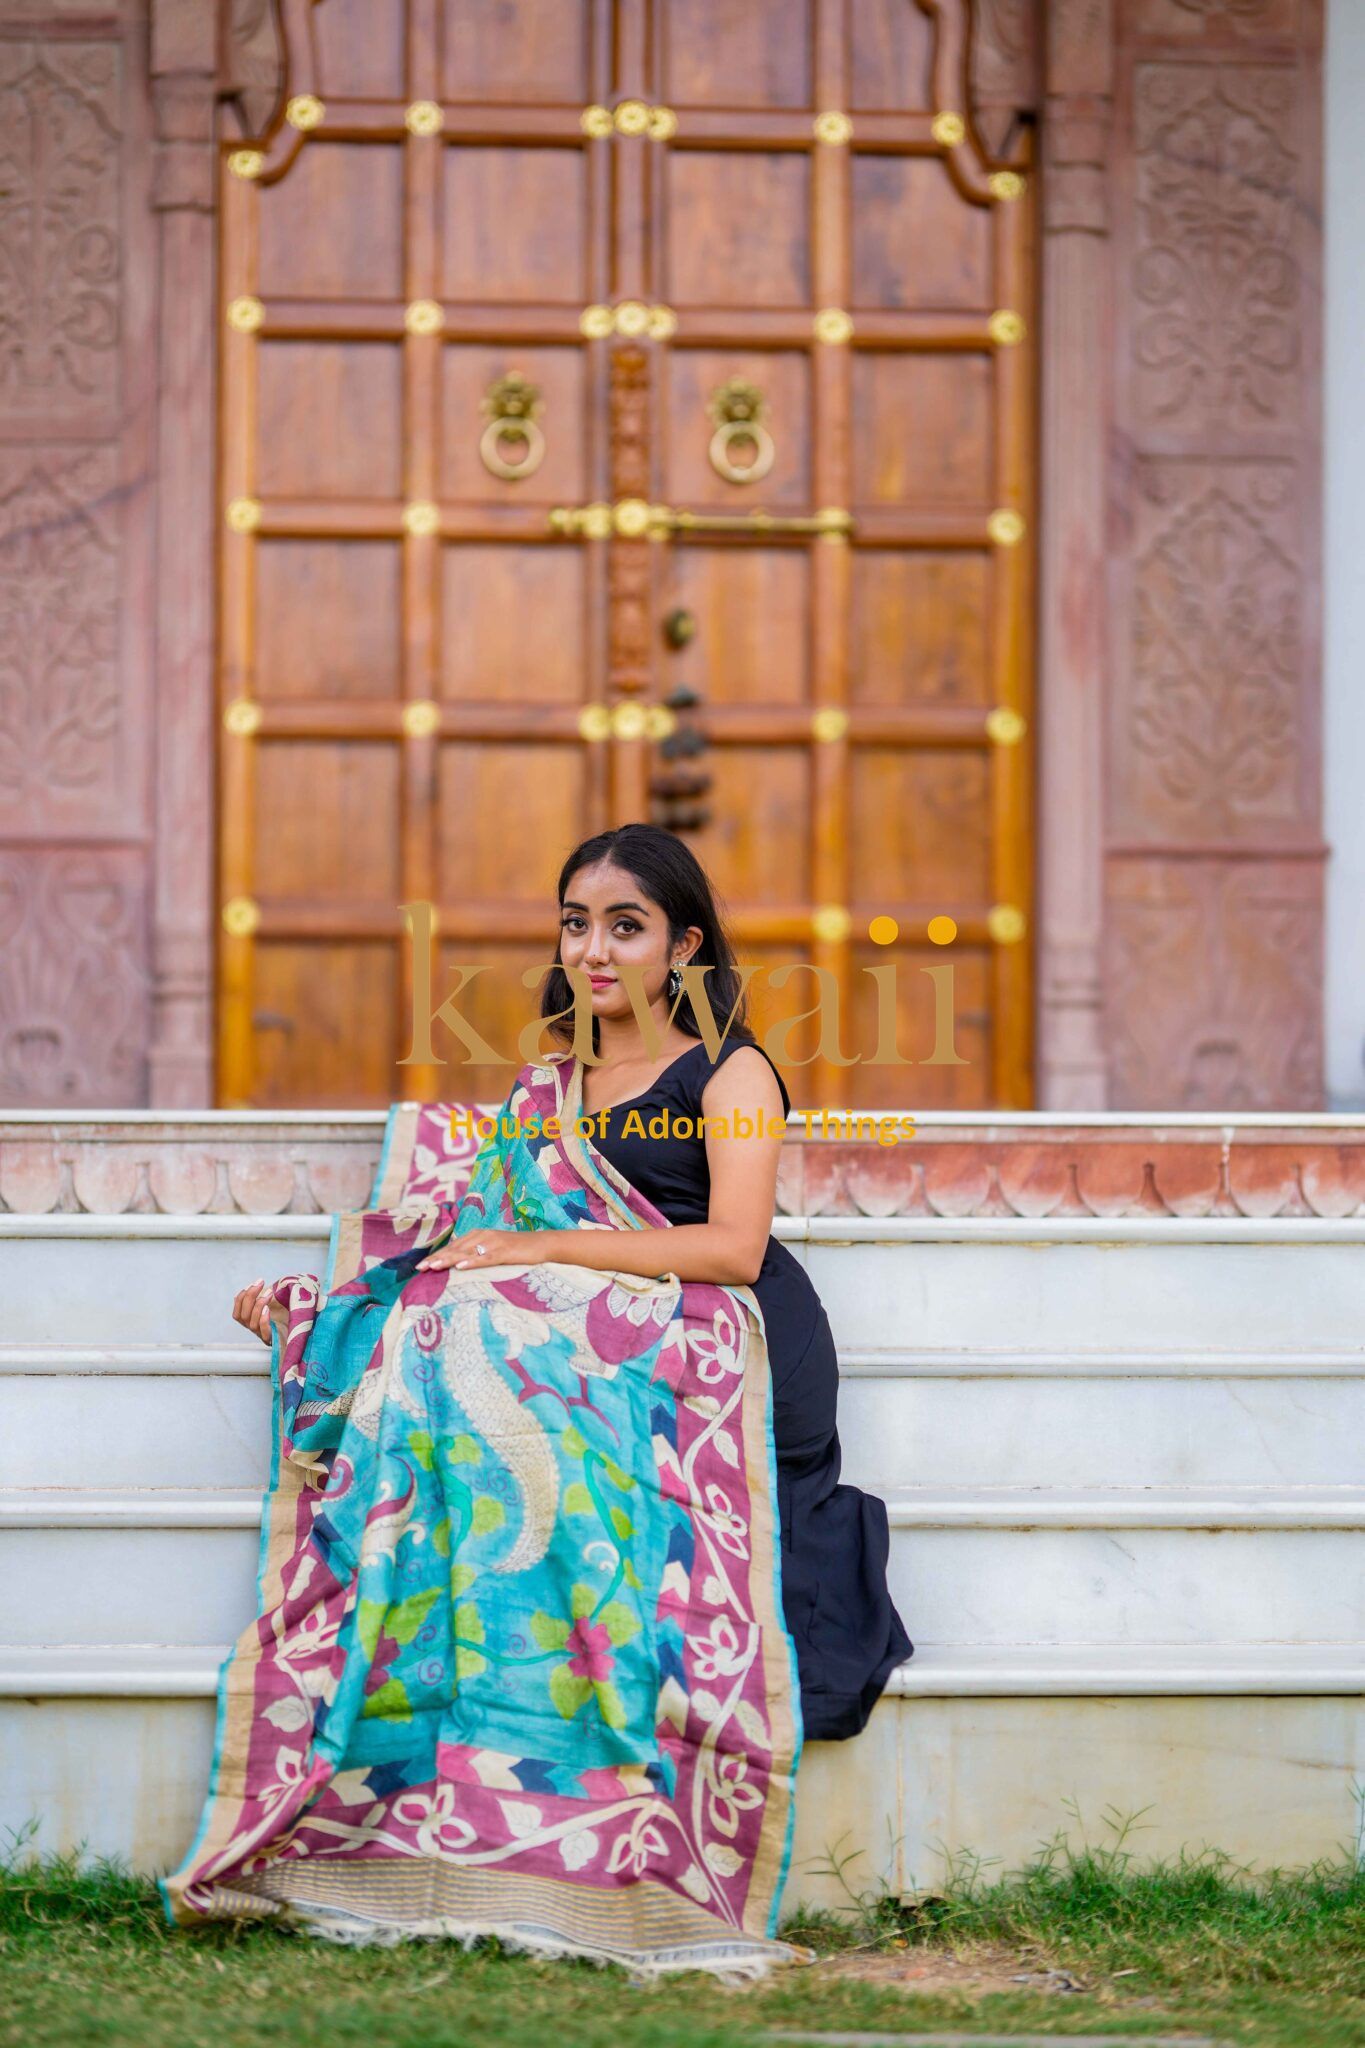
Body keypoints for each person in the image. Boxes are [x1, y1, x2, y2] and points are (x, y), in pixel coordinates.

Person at [233, 821, 912, 1741]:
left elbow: (733, 1250)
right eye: (575, 923)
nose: (593, 950)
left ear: (683, 946)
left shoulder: (731, 1069)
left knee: (494, 1337)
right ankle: (468, 1644)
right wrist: (320, 1311)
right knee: (449, 1322)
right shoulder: (551, 1082)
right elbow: (475, 1229)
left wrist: (541, 1253)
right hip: (595, 1326)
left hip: (727, 1337)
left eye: (625, 927)